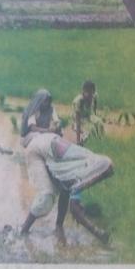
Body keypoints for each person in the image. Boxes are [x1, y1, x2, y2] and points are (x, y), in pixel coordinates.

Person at [20, 89, 113, 243]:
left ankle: (58, 226)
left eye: (49, 101)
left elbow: (60, 132)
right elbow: (32, 130)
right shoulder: (34, 114)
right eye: (45, 101)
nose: (47, 103)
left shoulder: (76, 156)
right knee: (47, 196)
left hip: (50, 142)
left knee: (64, 188)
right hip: (35, 152)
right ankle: (23, 230)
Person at [71, 80, 104, 145]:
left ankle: (101, 140)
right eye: (88, 93)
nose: (90, 96)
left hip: (88, 116)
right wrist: (78, 140)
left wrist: (95, 115)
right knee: (91, 129)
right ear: (83, 92)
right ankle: (90, 142)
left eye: (92, 93)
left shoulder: (94, 96)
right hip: (80, 119)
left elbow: (95, 104)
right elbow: (78, 120)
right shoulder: (78, 101)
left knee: (100, 122)